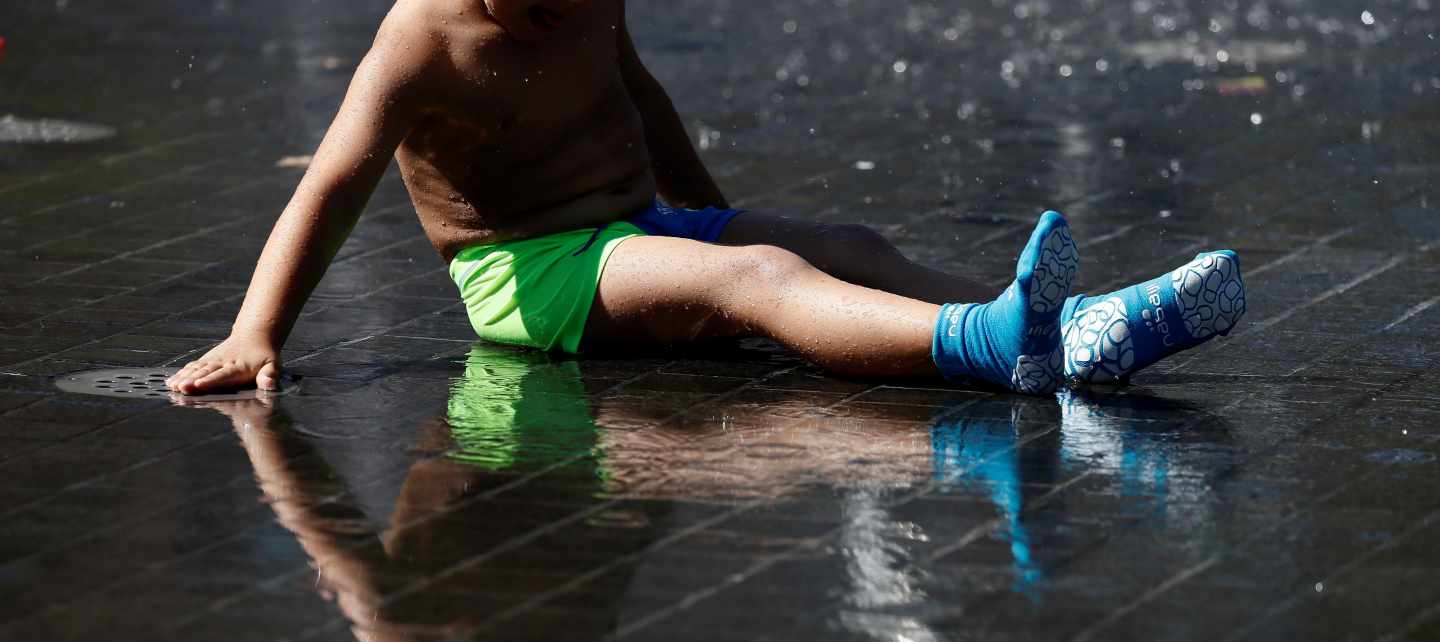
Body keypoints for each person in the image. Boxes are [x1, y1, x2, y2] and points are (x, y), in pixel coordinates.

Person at [166, 0, 1247, 399]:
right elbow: (331, 189)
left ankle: (1076, 326)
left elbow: (641, 103)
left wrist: (721, 221)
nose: (560, 12)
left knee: (837, 241)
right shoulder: (418, 41)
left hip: (636, 231)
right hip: (533, 274)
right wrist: (256, 331)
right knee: (762, 279)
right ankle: (983, 342)